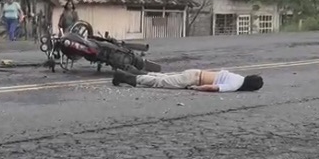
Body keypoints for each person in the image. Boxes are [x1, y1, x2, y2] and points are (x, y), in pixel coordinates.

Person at [112, 68, 264, 92]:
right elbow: (213, 88)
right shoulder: (236, 85)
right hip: (194, 79)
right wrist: (196, 88)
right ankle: (127, 77)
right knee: (162, 83)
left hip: (196, 72)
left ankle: (135, 72)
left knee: (165, 77)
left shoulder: (238, 77)